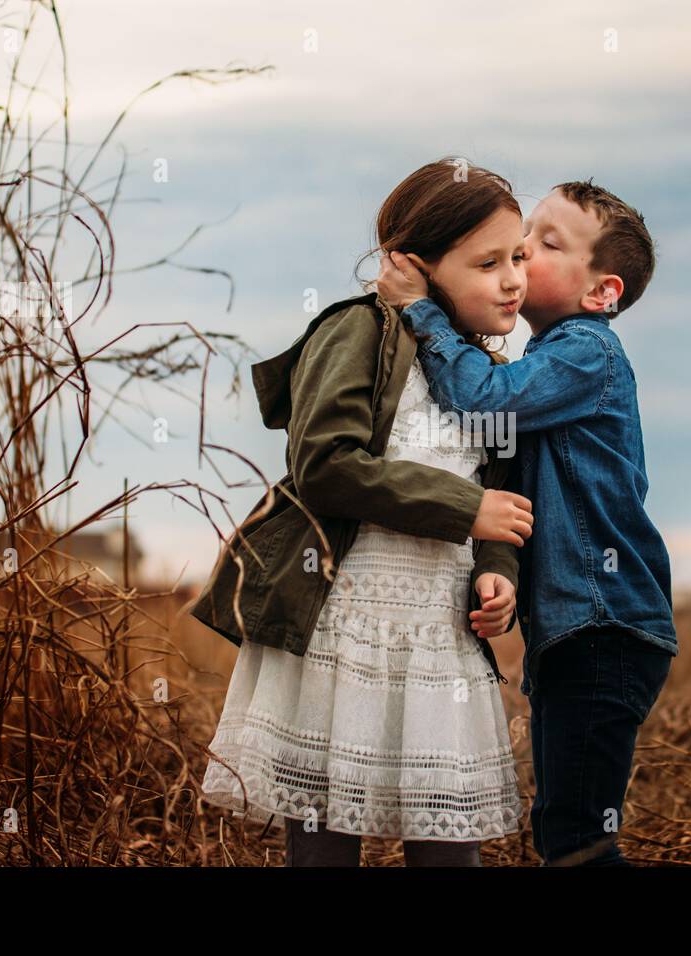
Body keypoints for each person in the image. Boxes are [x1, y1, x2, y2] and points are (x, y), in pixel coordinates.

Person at [190, 158, 534, 866]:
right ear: (410, 264)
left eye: (520, 257)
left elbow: (497, 497)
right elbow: (325, 464)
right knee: (323, 837)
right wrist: (465, 508)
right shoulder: (357, 332)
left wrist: (497, 572)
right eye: (488, 262)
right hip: (342, 622)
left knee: (447, 840)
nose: (512, 280)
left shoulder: (486, 374)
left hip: (437, 631)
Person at [377, 178, 676, 866]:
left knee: (576, 842)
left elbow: (482, 401)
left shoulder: (586, 352)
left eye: (545, 243)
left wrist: (423, 311)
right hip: (578, 630)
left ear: (603, 292)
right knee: (564, 831)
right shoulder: (547, 359)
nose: (522, 252)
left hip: (607, 627)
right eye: (520, 239)